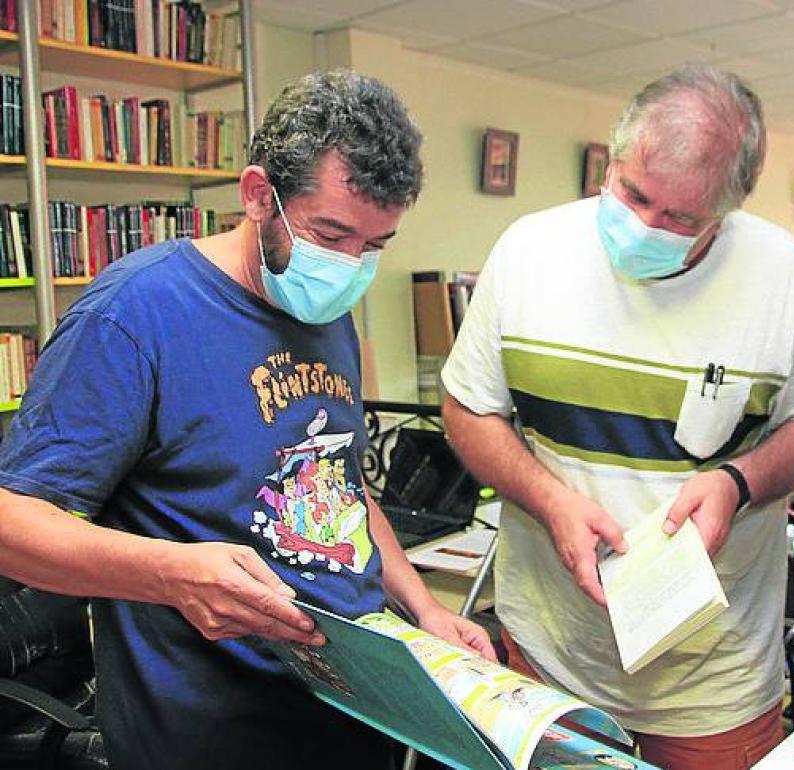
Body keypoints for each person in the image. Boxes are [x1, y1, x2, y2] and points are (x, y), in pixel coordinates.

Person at [0, 70, 493, 770]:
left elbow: (342, 486)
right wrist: (172, 574)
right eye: (331, 234)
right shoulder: (134, 315)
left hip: (354, 706)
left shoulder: (325, 309)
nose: (350, 266)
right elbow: (12, 524)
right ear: (259, 194)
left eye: (375, 246)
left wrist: (425, 608)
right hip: (209, 731)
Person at [440, 63, 794, 770]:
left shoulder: (785, 278)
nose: (648, 226)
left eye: (681, 219)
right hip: (553, 654)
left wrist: (736, 484)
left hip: (714, 678)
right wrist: (550, 501)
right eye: (634, 195)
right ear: (612, 161)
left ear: (728, 210)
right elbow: (469, 408)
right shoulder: (529, 250)